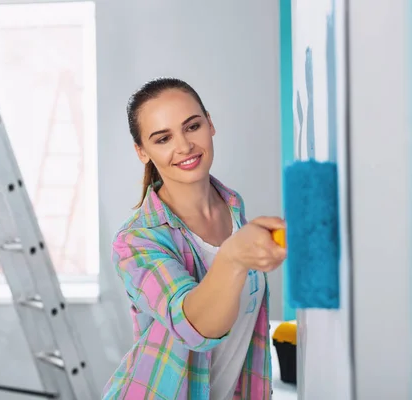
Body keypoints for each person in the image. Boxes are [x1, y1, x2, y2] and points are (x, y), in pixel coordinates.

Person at [102, 77, 286, 400]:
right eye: (163, 139)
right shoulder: (136, 241)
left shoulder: (232, 205)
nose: (184, 146)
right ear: (142, 152)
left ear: (210, 123)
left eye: (192, 126)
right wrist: (233, 257)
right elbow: (195, 327)